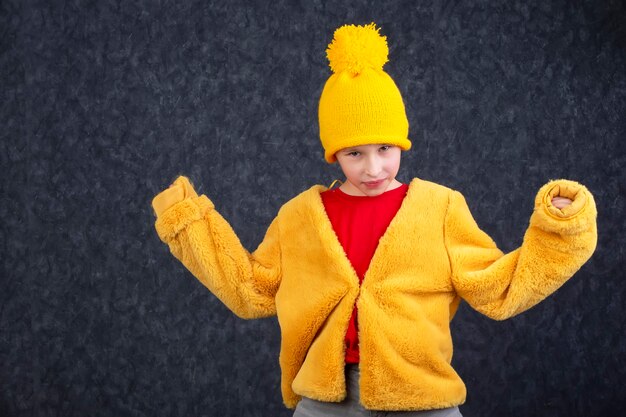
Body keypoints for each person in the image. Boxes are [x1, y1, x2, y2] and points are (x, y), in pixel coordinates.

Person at [151, 23, 597, 416]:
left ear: (402, 142)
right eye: (354, 153)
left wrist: (559, 230)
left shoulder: (440, 207)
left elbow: (499, 287)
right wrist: (188, 223)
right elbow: (250, 289)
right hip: (325, 402)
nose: (373, 168)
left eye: (385, 148)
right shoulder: (300, 217)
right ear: (333, 153)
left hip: (424, 399)